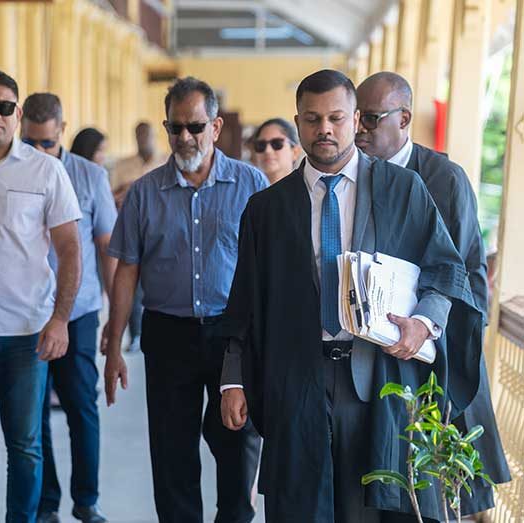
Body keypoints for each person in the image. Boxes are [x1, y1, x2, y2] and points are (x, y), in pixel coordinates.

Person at [219, 69, 483, 523]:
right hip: (296, 375)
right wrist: (232, 379)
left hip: (377, 377)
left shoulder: (402, 189)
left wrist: (423, 323)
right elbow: (244, 301)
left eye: (336, 118)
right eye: (313, 118)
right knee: (299, 504)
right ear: (298, 123)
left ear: (356, 119)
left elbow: (446, 268)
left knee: (371, 509)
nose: (325, 129)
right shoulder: (268, 208)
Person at [104, 77, 267, 523]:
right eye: (175, 128)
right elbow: (127, 270)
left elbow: (266, 269)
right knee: (172, 454)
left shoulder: (251, 185)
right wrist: (115, 344)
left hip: (231, 338)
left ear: (215, 127)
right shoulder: (143, 192)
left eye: (195, 127)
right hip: (167, 334)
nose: (185, 138)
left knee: (237, 445)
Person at [356, 71, 510, 514]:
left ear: (403, 118)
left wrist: (430, 326)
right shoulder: (358, 174)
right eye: (357, 120)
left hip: (435, 348)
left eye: (371, 118)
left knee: (436, 489)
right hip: (374, 349)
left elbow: (461, 270)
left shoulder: (444, 177)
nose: (361, 130)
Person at [0, 70, 82, 523]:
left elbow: (69, 249)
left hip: (27, 330)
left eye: (5, 106)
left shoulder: (46, 170)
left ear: (18, 114)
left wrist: (60, 319)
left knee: (25, 445)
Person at [20, 93, 118, 523]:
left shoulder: (90, 176)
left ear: (62, 130)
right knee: (33, 412)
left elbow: (106, 249)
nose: (39, 151)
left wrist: (116, 319)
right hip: (26, 313)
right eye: (32, 142)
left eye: (47, 143)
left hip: (78, 311)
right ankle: (46, 502)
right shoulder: (13, 169)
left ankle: (86, 500)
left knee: (82, 407)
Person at [109, 122, 165, 208]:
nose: (142, 138)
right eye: (139, 134)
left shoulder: (167, 162)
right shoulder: (121, 165)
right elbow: (111, 197)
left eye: (146, 134)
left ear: (154, 137)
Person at [247, 117, 302, 184]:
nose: (267, 150)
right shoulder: (244, 190)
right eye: (261, 145)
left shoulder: (309, 190)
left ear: (295, 152)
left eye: (277, 143)